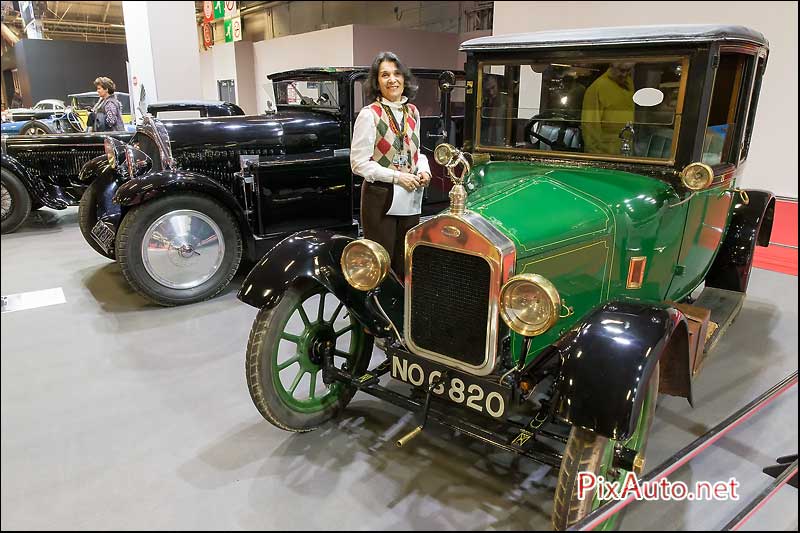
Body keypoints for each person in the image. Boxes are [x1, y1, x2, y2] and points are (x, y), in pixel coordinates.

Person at [350, 51, 432, 280]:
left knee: (405, 260)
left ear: (404, 79)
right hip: (381, 198)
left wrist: (424, 170)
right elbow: (358, 164)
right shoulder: (370, 115)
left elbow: (415, 152)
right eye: (385, 75)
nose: (392, 79)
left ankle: (400, 313)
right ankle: (379, 313)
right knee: (381, 262)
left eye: (396, 74)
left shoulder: (412, 111)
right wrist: (397, 177)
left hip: (409, 195)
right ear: (377, 82)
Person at [581, 62, 635, 154]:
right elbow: (590, 126)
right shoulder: (597, 87)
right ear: (611, 66)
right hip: (605, 153)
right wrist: (595, 155)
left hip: (625, 149)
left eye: (628, 70)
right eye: (622, 70)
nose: (625, 74)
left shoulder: (629, 83)